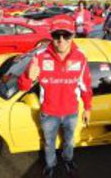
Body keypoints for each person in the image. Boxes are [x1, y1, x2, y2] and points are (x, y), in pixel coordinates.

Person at [18, 18, 93, 177]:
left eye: (66, 35)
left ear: (72, 36)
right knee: (49, 143)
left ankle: (68, 159)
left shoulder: (80, 57)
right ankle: (50, 165)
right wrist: (27, 76)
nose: (61, 40)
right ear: (51, 36)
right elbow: (23, 86)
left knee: (69, 141)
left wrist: (87, 108)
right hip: (49, 113)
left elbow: (85, 85)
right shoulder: (39, 56)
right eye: (57, 35)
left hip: (71, 111)